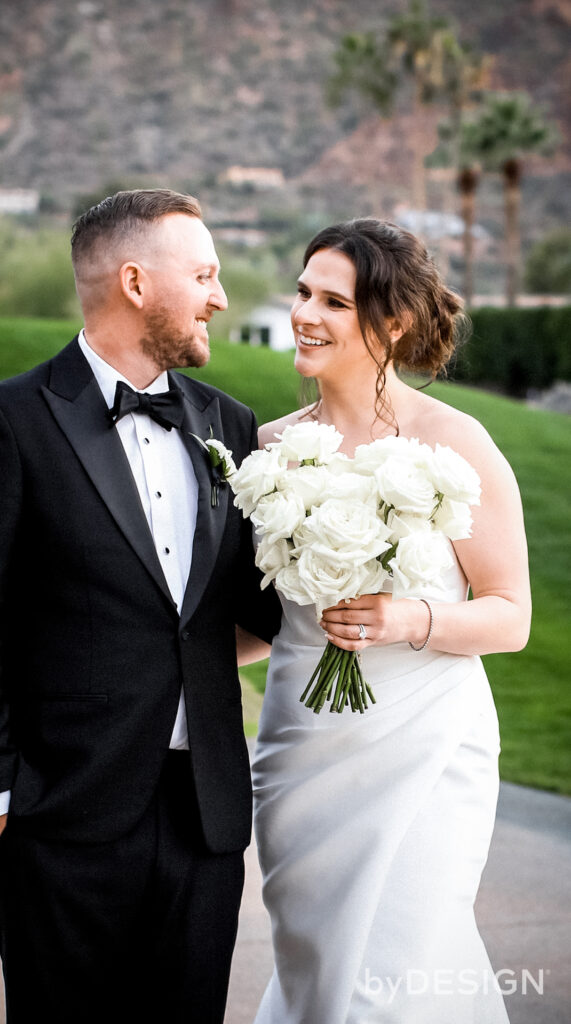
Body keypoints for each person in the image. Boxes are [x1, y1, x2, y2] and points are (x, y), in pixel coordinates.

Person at [0, 188, 280, 1024]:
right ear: (133, 281)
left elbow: (245, 613)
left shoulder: (229, 425)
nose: (219, 297)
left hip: (204, 820)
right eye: (203, 275)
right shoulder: (4, 422)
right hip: (57, 819)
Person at [251, 218, 531, 1023]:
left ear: (393, 323)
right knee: (317, 966)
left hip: (425, 743)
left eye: (332, 301)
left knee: (398, 967)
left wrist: (410, 616)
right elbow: (257, 620)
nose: (304, 312)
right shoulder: (271, 453)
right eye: (303, 292)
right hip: (302, 746)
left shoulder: (453, 444)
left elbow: (509, 616)